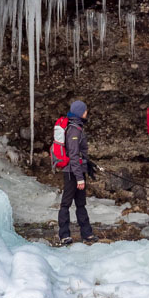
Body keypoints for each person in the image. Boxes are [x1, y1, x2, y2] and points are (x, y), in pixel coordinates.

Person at [58, 99, 94, 246]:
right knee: (66, 203)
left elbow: (79, 154)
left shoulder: (78, 127)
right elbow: (73, 155)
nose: (87, 113)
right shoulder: (73, 130)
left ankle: (87, 234)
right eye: (85, 111)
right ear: (80, 113)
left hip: (78, 170)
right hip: (71, 172)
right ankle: (64, 235)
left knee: (81, 203)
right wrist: (79, 178)